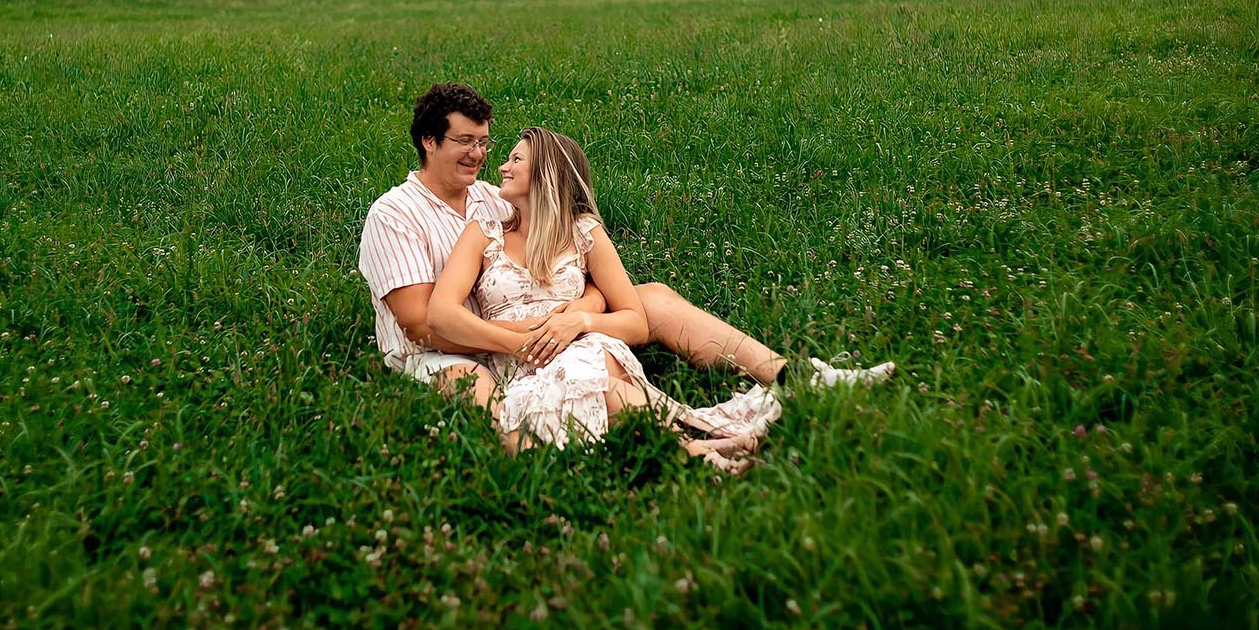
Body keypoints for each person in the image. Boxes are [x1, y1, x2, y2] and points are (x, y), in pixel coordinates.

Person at [356, 83, 892, 408]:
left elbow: (573, 263)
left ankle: (794, 376)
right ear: (429, 141)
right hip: (447, 352)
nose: (479, 155)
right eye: (464, 142)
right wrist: (531, 336)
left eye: (484, 142)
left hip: (534, 328)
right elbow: (422, 325)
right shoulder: (394, 214)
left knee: (648, 298)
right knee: (485, 395)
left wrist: (580, 313)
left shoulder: (494, 200)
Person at [428, 126, 781, 472]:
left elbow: (635, 321)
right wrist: (518, 343)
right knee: (590, 390)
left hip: (585, 346)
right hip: (520, 369)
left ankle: (699, 450)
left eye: (516, 159)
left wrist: (579, 322)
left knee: (583, 375)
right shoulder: (483, 234)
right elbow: (440, 313)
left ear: (546, 172)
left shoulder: (583, 232)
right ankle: (700, 442)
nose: (503, 167)